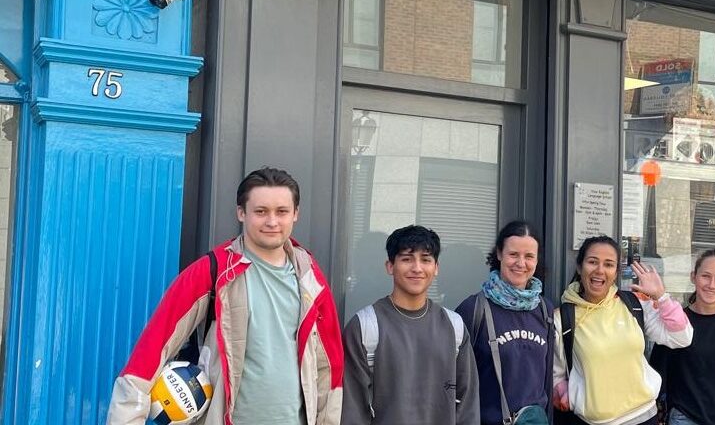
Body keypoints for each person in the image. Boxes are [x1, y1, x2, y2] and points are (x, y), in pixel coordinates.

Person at [107, 167, 344, 425]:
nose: (272, 221)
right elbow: (153, 348)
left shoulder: (310, 277)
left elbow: (329, 367)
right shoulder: (213, 271)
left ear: (296, 214)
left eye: (282, 211)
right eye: (261, 211)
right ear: (241, 213)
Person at [342, 224, 479, 425]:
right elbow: (352, 410)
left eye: (426, 259)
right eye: (407, 259)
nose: (417, 268)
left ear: (436, 267)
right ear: (390, 266)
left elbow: (468, 407)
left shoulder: (454, 326)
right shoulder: (365, 325)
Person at [552, 235, 693, 425]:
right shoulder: (562, 318)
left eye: (609, 264)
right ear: (579, 267)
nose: (600, 270)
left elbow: (682, 338)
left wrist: (661, 297)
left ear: (616, 272)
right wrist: (572, 397)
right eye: (592, 262)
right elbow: (557, 375)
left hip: (645, 416)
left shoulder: (634, 304)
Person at [456, 221, 554, 425]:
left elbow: (547, 381)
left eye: (529, 256)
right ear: (499, 254)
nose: (521, 263)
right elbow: (455, 380)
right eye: (513, 254)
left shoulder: (545, 309)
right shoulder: (474, 309)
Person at [651, 249, 715, 425]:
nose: (711, 284)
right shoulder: (676, 322)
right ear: (693, 277)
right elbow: (658, 371)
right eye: (705, 276)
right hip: (685, 417)